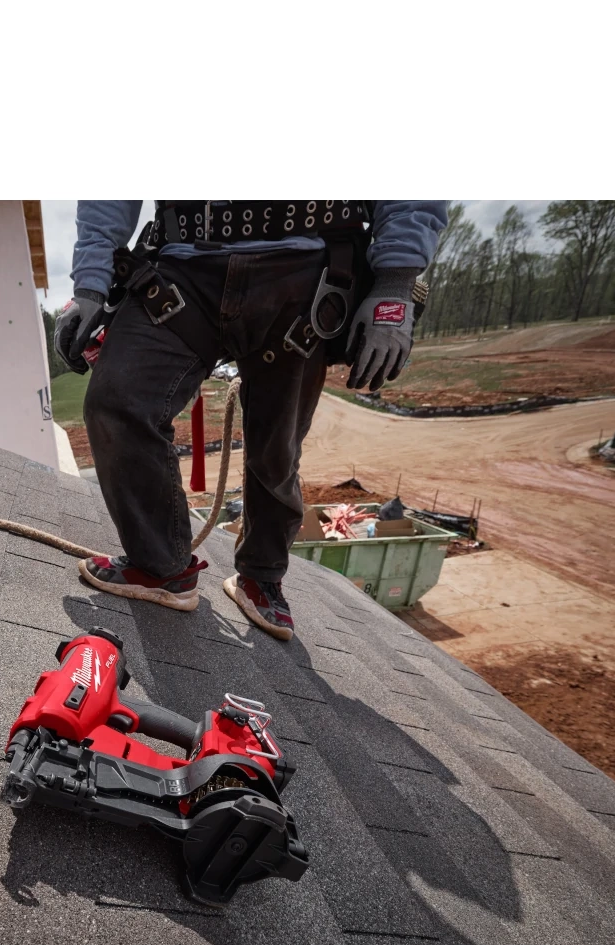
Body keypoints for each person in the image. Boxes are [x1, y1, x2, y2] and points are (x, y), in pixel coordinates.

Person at [55, 200, 448, 641]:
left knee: (277, 448)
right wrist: (90, 285)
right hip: (181, 270)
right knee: (117, 403)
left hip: (306, 273)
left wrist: (395, 285)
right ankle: (160, 566)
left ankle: (261, 575)